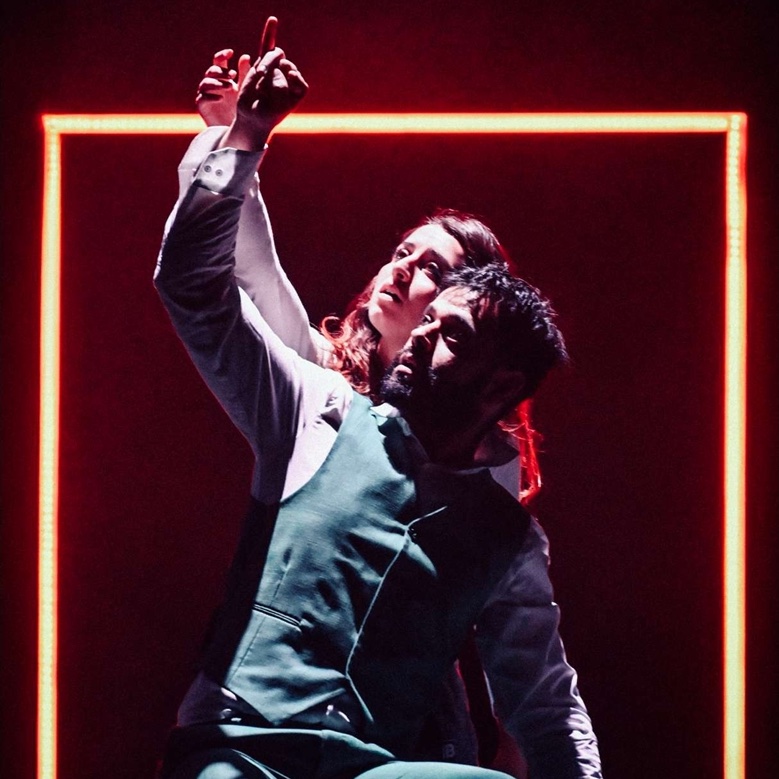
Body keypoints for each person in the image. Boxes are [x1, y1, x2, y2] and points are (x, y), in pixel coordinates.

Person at [156, 33, 601, 779]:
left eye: (433, 275)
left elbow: (541, 692)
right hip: (251, 729)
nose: (402, 275)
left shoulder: (497, 509)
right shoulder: (316, 394)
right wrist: (233, 137)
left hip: (391, 739)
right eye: (401, 253)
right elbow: (236, 279)